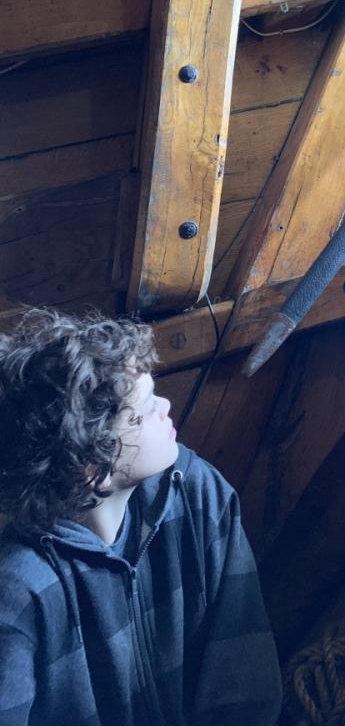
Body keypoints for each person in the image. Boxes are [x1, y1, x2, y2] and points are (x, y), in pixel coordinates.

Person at [0, 308, 282, 725]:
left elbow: (246, 680)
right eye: (145, 407)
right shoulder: (20, 593)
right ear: (91, 467)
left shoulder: (197, 493)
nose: (166, 405)